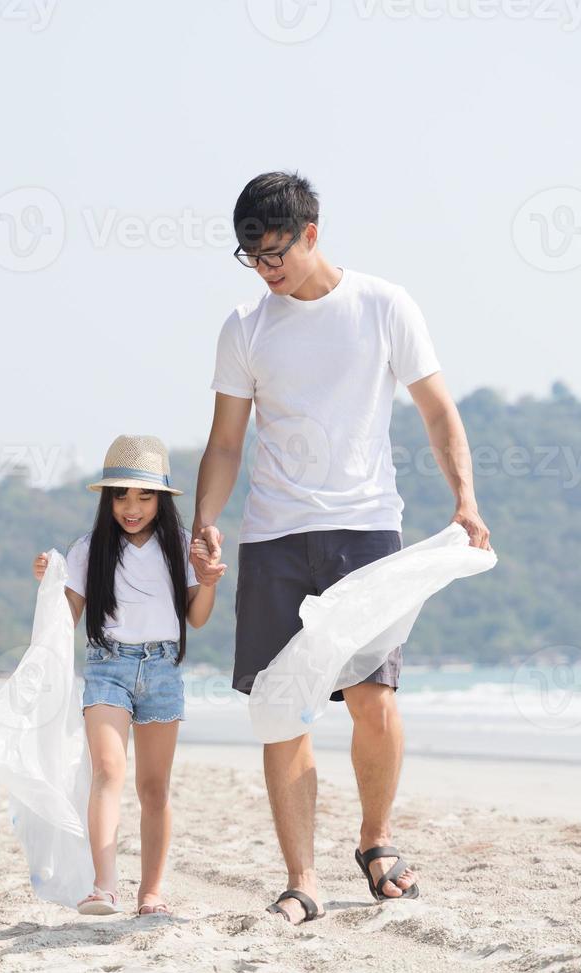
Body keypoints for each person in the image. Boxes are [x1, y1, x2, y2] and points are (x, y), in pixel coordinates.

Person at [190, 173, 492, 924]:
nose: (267, 268)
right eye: (252, 257)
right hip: (274, 537)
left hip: (365, 531)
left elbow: (437, 410)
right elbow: (227, 442)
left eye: (275, 251)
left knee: (374, 701)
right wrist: (206, 517)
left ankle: (376, 839)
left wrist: (465, 499)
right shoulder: (245, 327)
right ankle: (302, 879)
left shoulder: (384, 306)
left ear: (311, 233)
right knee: (281, 710)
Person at [32, 435, 222, 918]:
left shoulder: (180, 547)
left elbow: (196, 618)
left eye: (143, 496)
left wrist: (212, 580)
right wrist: (51, 579)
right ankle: (104, 886)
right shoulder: (88, 549)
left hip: (163, 669)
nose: (131, 507)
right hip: (107, 667)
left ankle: (151, 893)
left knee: (154, 787)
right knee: (109, 772)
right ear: (107, 499)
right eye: (121, 495)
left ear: (161, 498)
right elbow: (65, 617)